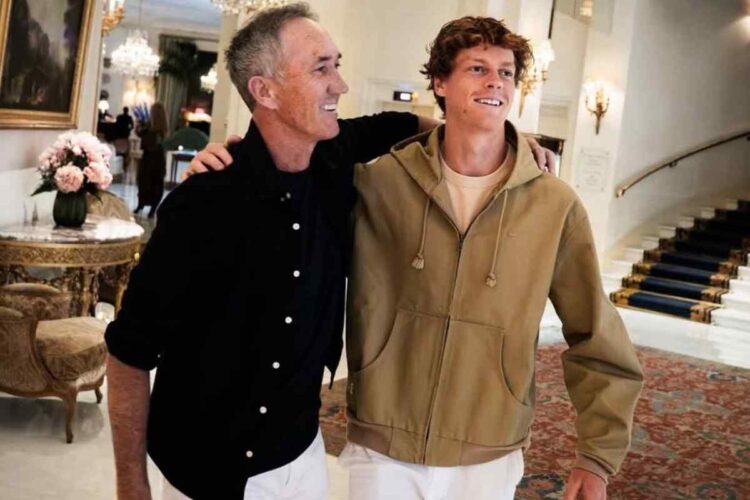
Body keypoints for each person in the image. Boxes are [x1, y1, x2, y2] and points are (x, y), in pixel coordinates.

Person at [188, 13, 643, 500]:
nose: (496, 82)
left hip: (489, 453)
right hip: (383, 448)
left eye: (506, 73)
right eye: (477, 69)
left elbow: (596, 334)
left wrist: (597, 458)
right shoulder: (378, 184)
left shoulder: (554, 205)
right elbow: (287, 177)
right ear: (440, 83)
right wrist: (232, 164)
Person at [105, 4, 446, 499]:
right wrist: (131, 486)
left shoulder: (336, 155)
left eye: (336, 65)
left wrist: (510, 141)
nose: (340, 85)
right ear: (264, 91)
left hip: (301, 453)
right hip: (207, 467)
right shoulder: (202, 203)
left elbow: (404, 124)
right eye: (321, 69)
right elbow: (129, 353)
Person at [134, 103, 168, 217]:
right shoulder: (160, 128)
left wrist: (140, 128)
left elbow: (145, 139)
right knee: (154, 183)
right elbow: (140, 133)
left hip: (150, 158)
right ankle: (150, 207)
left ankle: (143, 205)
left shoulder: (154, 129)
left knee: (146, 181)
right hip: (157, 159)